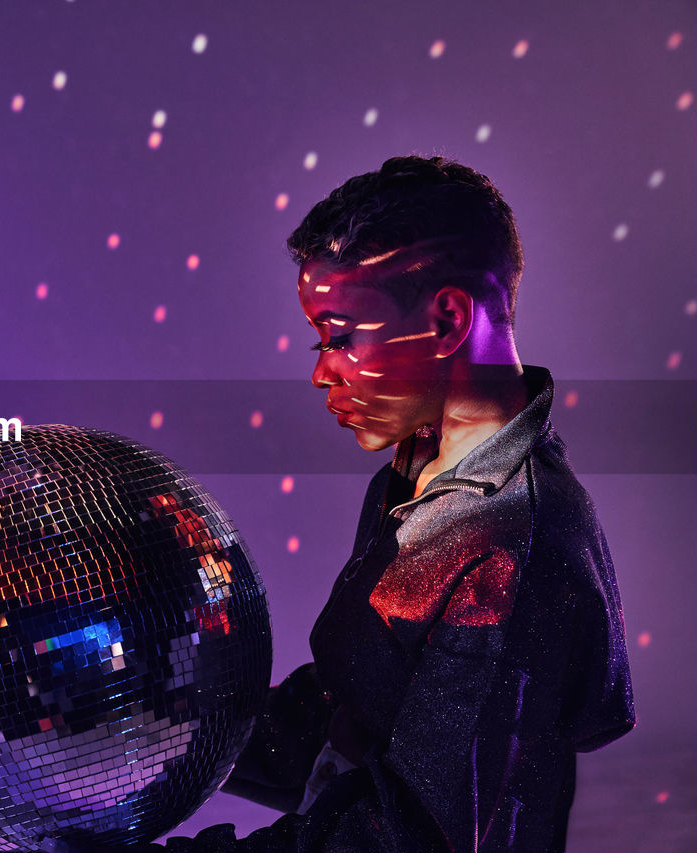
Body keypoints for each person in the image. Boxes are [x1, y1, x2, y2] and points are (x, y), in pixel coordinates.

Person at [89, 155, 636, 852]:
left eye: (342, 336)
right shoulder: (414, 477)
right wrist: (144, 712)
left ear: (445, 319)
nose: (321, 371)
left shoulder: (514, 549)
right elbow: (347, 722)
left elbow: (410, 836)